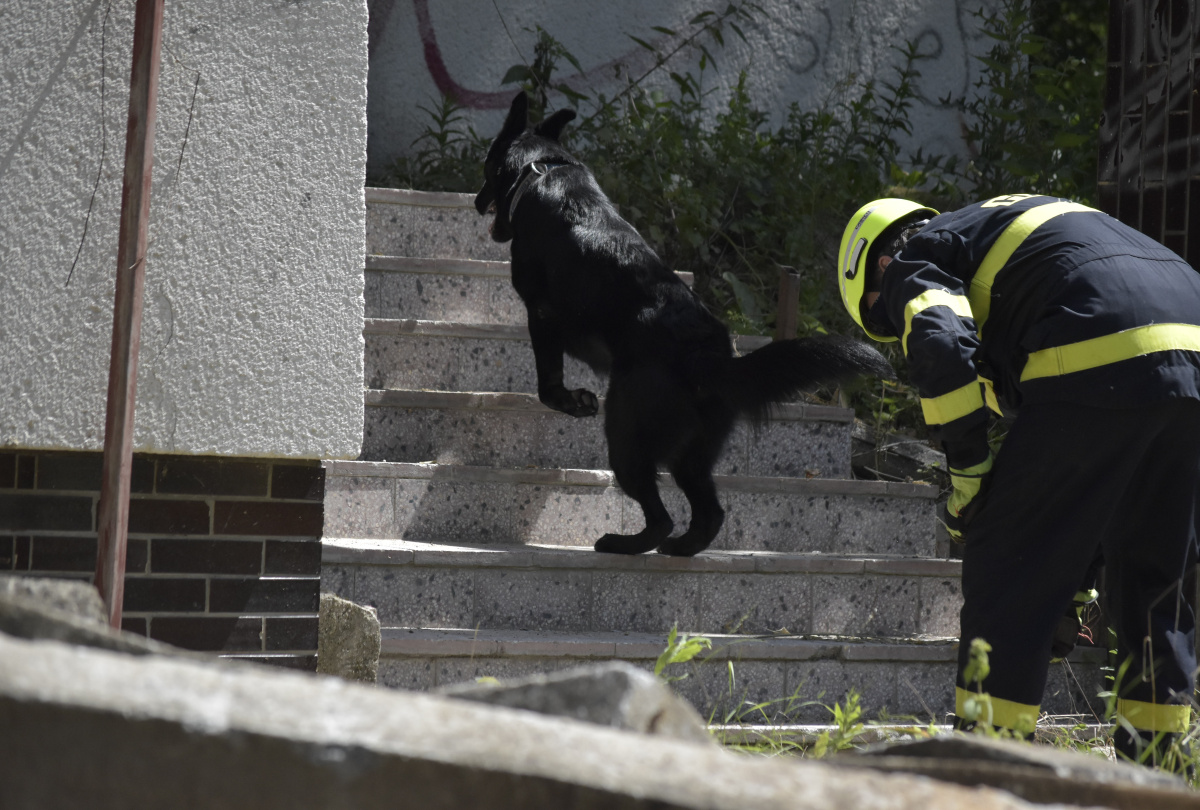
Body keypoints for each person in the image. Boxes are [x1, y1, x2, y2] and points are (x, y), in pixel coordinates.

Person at [837, 193, 1200, 765]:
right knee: (1156, 580)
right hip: (1192, 352)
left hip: (1101, 340)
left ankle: (989, 770)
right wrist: (1074, 586)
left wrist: (969, 474)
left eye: (882, 316)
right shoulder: (1013, 239)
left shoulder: (916, 255)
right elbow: (1091, 485)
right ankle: (1160, 777)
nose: (893, 320)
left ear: (878, 264)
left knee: (1006, 567)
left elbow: (939, 341)